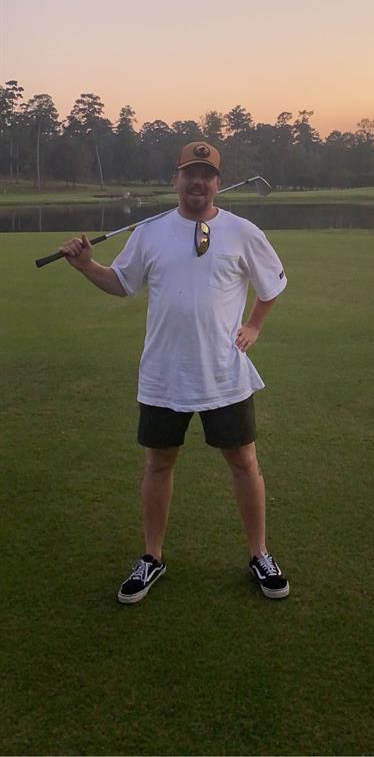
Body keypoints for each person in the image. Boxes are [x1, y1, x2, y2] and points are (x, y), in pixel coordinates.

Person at [60, 141, 289, 604]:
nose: (198, 182)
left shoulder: (243, 231)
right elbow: (121, 282)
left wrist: (253, 326)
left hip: (223, 372)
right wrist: (86, 266)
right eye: (190, 173)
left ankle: (259, 554)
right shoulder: (150, 232)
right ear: (175, 179)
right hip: (164, 373)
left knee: (244, 461)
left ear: (217, 183)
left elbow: (272, 284)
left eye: (206, 174)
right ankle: (151, 557)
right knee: (159, 463)